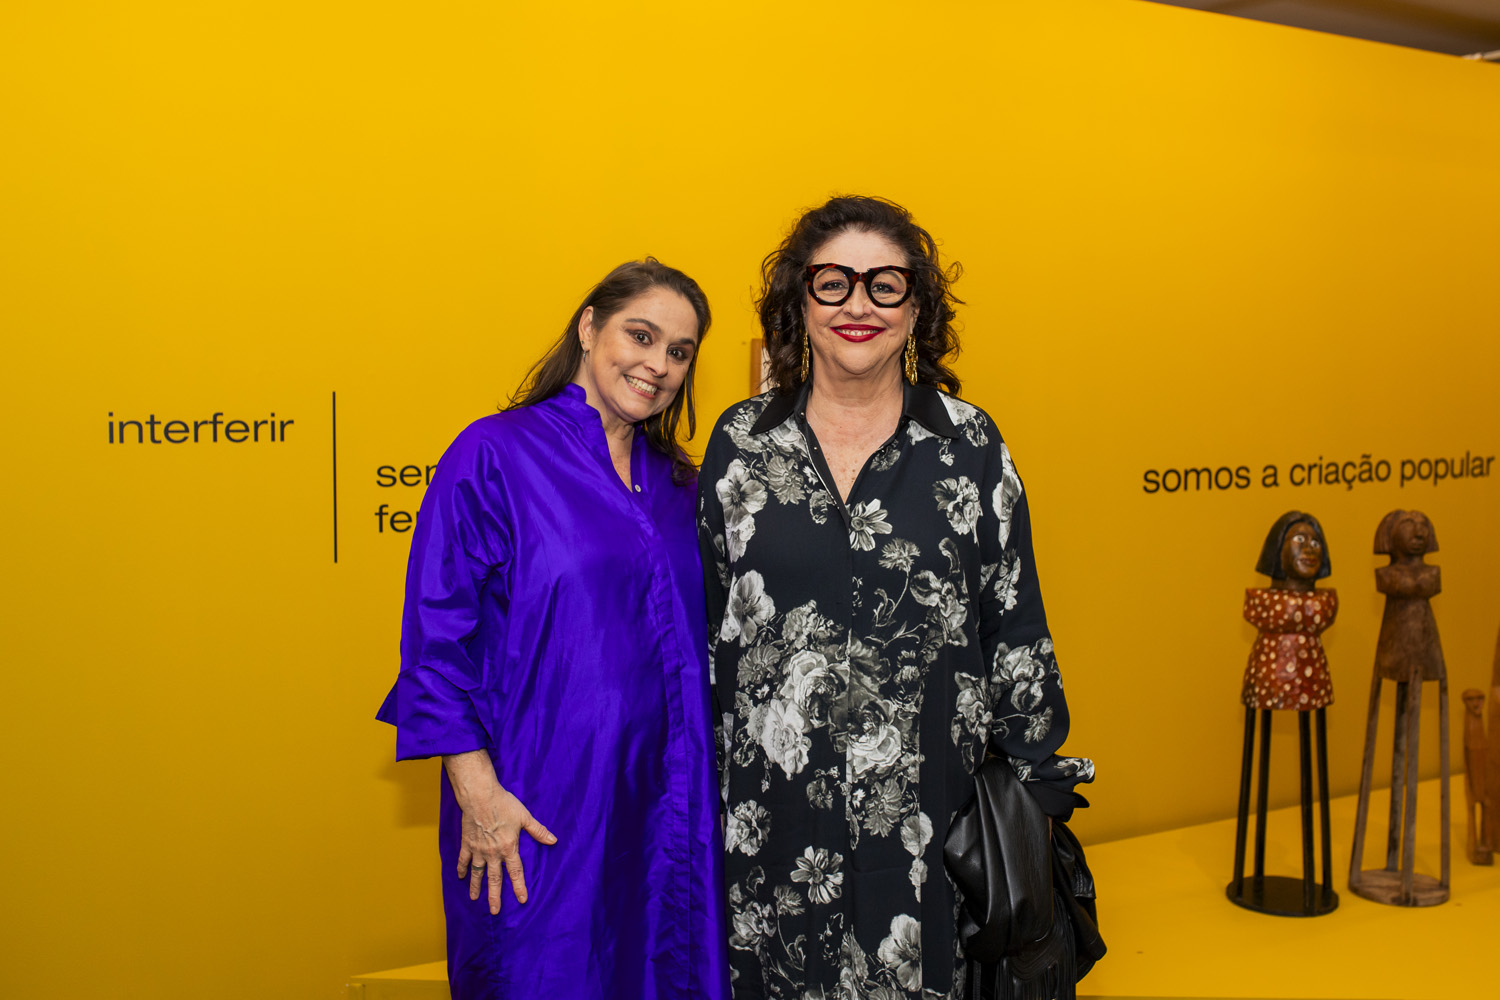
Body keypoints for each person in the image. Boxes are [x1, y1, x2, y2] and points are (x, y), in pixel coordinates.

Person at [698, 196, 1093, 998]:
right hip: (769, 824)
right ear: (800, 302)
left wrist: (1036, 781)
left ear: (916, 311)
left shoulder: (970, 444)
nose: (858, 305)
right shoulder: (740, 443)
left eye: (885, 284)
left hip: (929, 828)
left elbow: (1013, 618)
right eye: (833, 282)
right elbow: (708, 628)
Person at [377, 259, 730, 999]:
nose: (658, 364)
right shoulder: (495, 454)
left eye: (679, 351)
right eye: (641, 336)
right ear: (590, 327)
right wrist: (480, 798)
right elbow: (435, 644)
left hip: (669, 813)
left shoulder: (679, 485)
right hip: (537, 811)